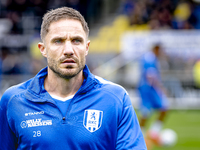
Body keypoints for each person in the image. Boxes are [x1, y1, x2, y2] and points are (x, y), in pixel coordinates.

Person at [0, 7, 147, 150]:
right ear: (43, 49)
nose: (69, 50)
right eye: (58, 41)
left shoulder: (116, 98)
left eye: (76, 40)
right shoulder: (13, 100)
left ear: (87, 47)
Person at [137, 44, 169, 146]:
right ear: (156, 49)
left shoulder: (150, 57)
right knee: (147, 112)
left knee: (162, 109)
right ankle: (140, 135)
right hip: (148, 89)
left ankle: (152, 133)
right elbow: (150, 75)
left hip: (148, 88)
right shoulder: (149, 58)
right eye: (160, 50)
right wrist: (161, 88)